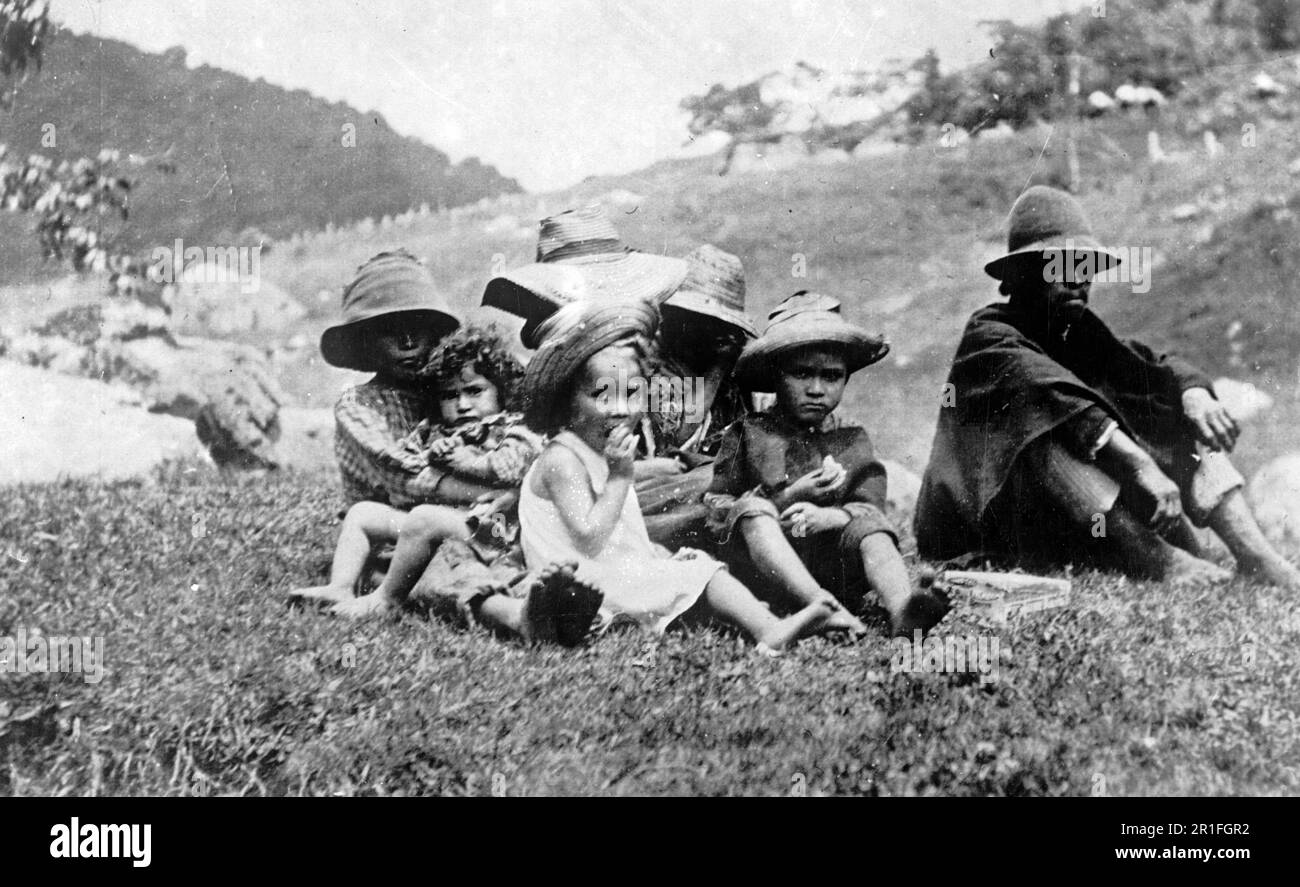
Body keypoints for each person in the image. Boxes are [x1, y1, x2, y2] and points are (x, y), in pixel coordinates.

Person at [914, 185, 1300, 591]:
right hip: (983, 529)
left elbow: (1151, 369)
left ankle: (1259, 558)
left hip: (1066, 520)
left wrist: (1194, 394)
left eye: (1084, 268)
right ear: (1020, 276)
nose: (1077, 281)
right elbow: (1049, 392)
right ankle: (1163, 561)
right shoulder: (988, 336)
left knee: (1171, 404)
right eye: (1058, 267)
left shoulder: (1078, 333)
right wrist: (1141, 465)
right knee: (1041, 432)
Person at [296, 252, 602, 643]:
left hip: (475, 521)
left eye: (418, 329)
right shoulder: (359, 406)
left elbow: (526, 428)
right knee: (441, 565)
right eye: (392, 332)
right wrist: (506, 492)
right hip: (399, 534)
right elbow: (406, 477)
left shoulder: (446, 387)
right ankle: (516, 615)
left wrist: (515, 489)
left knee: (488, 555)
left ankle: (549, 601)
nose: (408, 342)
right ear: (366, 343)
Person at [517, 299, 836, 653]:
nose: (621, 410)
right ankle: (769, 629)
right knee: (701, 575)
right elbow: (589, 537)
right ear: (565, 403)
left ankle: (751, 615)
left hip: (606, 573)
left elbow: (623, 534)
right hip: (579, 586)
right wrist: (621, 477)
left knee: (693, 565)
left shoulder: (598, 453)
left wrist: (656, 556)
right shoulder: (563, 459)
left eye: (632, 393)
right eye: (601, 395)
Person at [706, 292, 950, 636]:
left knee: (873, 531)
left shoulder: (851, 438)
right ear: (776, 378)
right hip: (763, 571)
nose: (817, 389)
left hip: (832, 566)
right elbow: (718, 509)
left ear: (846, 380)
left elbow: (869, 507)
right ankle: (822, 606)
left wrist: (831, 516)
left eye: (832, 376)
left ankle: (902, 610)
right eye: (802, 374)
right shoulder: (749, 433)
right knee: (750, 511)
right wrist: (784, 499)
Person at [636, 244, 758, 548]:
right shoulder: (650, 366)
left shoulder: (731, 377)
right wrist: (716, 371)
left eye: (711, 323)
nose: (699, 330)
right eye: (690, 318)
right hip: (653, 485)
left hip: (701, 485)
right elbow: (677, 438)